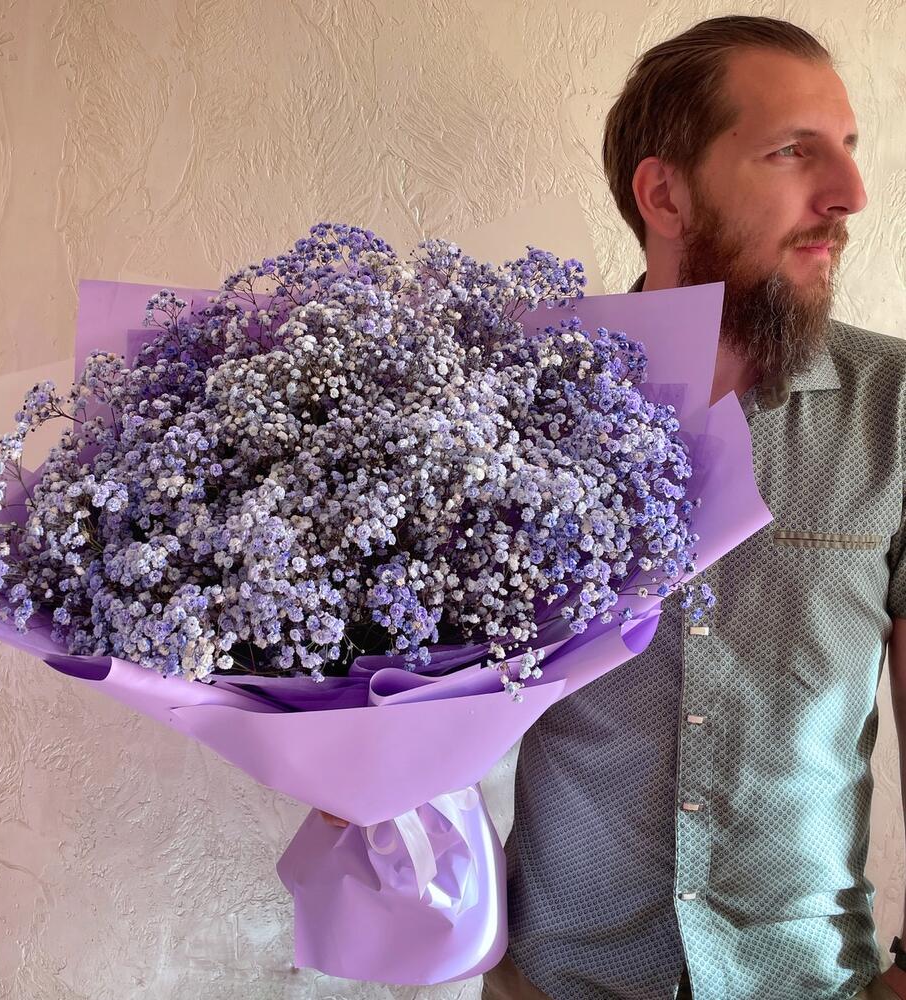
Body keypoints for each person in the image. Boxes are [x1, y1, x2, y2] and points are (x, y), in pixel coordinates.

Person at [326, 14, 906, 999]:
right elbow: (396, 701)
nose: (850, 192)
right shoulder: (506, 411)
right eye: (790, 151)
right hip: (559, 981)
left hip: (814, 982)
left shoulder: (893, 411)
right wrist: (364, 779)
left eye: (847, 147)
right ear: (664, 194)